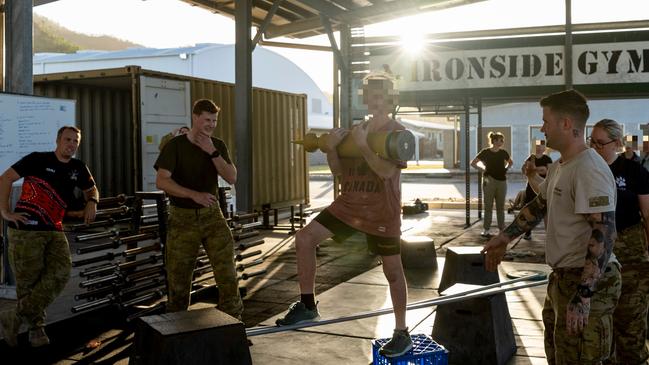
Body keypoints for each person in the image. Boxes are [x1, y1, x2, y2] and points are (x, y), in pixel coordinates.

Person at [275, 73, 412, 358]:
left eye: (380, 95)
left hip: (381, 211)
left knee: (393, 272)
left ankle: (401, 333)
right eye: (369, 95)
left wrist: (363, 145)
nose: (374, 100)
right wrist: (330, 149)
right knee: (304, 239)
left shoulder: (396, 132)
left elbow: (387, 173)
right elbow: (338, 171)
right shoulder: (354, 130)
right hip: (349, 205)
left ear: (389, 99)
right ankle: (308, 305)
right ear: (364, 98)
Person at [482, 89, 620, 364]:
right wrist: (503, 238)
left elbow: (604, 231)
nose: (542, 128)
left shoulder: (589, 168)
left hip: (587, 282)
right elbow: (538, 207)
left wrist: (583, 296)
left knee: (582, 359)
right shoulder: (560, 167)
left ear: (566, 124)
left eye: (546, 121)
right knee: (558, 355)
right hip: (563, 279)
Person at [0, 126, 98, 347]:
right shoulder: (37, 159)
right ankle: (37, 331)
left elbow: (92, 189)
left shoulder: (78, 167)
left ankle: (13, 316)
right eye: (67, 139)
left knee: (61, 272)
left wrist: (93, 201)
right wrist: (5, 212)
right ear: (57, 140)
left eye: (75, 141)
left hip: (54, 228)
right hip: (26, 230)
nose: (71, 144)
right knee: (28, 283)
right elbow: (5, 179)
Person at [154, 99, 243, 319]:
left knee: (227, 272)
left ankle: (234, 322)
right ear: (195, 117)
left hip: (212, 215)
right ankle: (175, 328)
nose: (211, 124)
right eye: (206, 120)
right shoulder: (175, 146)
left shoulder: (217, 145)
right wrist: (194, 195)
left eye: (214, 120)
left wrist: (212, 151)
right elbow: (162, 181)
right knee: (178, 277)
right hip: (182, 218)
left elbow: (231, 177)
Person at [589, 119, 649, 365]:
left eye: (600, 143)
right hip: (599, 255)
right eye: (591, 142)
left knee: (631, 324)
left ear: (616, 143)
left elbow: (647, 214)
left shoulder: (634, 171)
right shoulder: (588, 171)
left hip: (632, 257)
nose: (594, 148)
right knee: (603, 327)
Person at [470, 132, 513, 237]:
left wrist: (505, 169)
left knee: (500, 206)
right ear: (494, 141)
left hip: (502, 181)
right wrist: (483, 169)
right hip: (488, 180)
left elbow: (510, 162)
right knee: (488, 206)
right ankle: (486, 229)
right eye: (500, 140)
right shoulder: (485, 152)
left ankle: (502, 229)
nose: (502, 142)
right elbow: (473, 163)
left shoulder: (503, 152)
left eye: (502, 140)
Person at [521, 141, 552, 240]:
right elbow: (525, 170)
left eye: (541, 146)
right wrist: (539, 169)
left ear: (544, 148)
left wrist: (534, 169)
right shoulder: (531, 158)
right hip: (530, 188)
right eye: (537, 146)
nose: (539, 148)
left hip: (543, 188)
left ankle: (549, 236)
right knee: (529, 211)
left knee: (546, 212)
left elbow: (549, 171)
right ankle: (527, 232)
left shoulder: (547, 159)